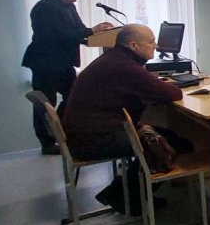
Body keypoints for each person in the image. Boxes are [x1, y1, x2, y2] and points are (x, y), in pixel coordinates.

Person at [62, 24, 185, 212]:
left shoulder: (113, 59)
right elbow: (173, 93)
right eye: (151, 42)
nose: (156, 45)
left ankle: (122, 193)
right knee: (172, 142)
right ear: (133, 46)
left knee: (165, 136)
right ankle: (130, 198)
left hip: (85, 134)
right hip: (93, 141)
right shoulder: (124, 66)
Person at [23, 0, 114, 155]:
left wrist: (96, 34)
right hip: (46, 62)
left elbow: (78, 30)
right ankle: (47, 143)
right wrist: (92, 30)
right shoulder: (44, 7)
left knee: (74, 96)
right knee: (46, 102)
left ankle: (60, 130)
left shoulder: (70, 6)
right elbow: (57, 35)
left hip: (64, 62)